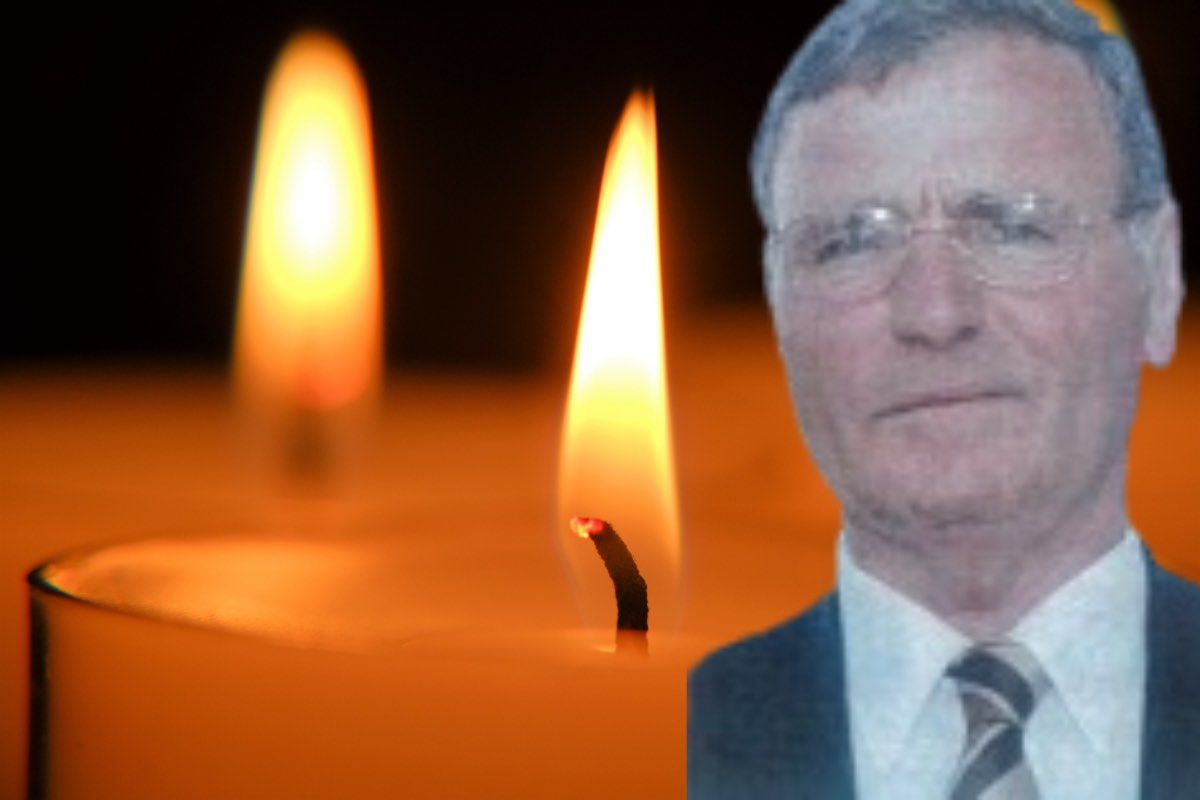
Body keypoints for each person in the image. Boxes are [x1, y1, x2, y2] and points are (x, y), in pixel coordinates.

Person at [687, 1, 1199, 797]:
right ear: (781, 306)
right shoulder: (660, 730)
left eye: (1017, 227)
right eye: (850, 242)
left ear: (1159, 280)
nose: (934, 313)